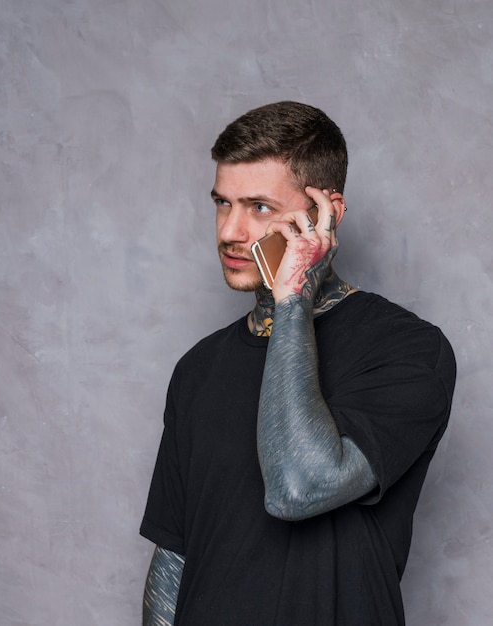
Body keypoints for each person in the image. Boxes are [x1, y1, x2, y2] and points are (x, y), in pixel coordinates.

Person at [139, 101, 456, 625]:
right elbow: (175, 558)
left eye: (259, 207)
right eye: (223, 203)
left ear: (323, 212)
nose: (230, 232)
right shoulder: (197, 370)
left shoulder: (409, 350)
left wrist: (292, 302)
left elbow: (299, 488)